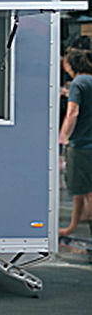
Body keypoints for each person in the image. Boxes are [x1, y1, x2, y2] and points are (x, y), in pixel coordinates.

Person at [59, 48, 92, 236]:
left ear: (71, 65)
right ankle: (72, 226)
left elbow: (73, 112)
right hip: (89, 143)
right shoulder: (89, 80)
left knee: (87, 191)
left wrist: (64, 136)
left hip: (81, 145)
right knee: (81, 189)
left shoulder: (78, 83)